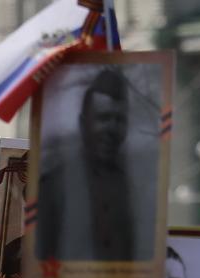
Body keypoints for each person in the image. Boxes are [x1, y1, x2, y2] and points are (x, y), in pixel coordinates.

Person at [36, 66, 137, 263]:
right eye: (103, 118)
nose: (112, 128)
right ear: (83, 124)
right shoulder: (52, 187)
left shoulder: (137, 191)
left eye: (119, 120)